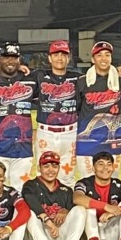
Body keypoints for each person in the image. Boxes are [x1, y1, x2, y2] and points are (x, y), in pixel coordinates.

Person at [0, 42, 37, 187]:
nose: (10, 61)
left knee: (20, 191)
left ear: (19, 59)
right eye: (6, 57)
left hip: (23, 149)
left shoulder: (30, 79)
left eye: (14, 57)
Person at [30, 40, 83, 185]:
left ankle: (66, 200)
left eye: (63, 55)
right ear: (49, 58)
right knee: (43, 175)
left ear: (68, 58)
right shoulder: (39, 76)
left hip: (70, 133)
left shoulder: (77, 78)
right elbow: (14, 76)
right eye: (56, 55)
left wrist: (118, 71)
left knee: (68, 176)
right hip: (46, 133)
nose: (60, 58)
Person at [22, 151, 87, 240]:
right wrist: (47, 219)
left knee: (80, 209)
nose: (51, 170)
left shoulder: (66, 190)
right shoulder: (30, 186)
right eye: (46, 166)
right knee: (29, 212)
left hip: (59, 238)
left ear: (59, 168)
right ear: (39, 168)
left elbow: (74, 212)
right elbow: (30, 200)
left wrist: (67, 211)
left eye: (54, 166)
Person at [76, 41, 121, 178]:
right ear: (93, 59)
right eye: (99, 55)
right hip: (88, 141)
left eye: (107, 55)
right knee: (87, 179)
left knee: (112, 179)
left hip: (112, 139)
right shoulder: (82, 81)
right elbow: (77, 109)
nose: (104, 58)